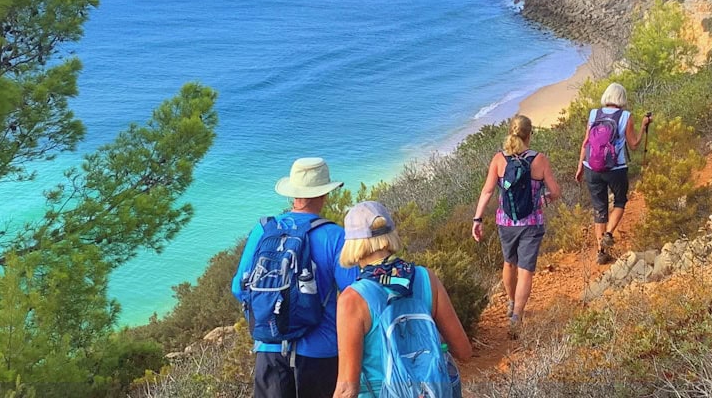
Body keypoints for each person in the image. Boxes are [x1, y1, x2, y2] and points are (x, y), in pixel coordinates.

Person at [234, 157, 360, 398]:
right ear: (325, 194)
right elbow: (353, 294)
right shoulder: (335, 236)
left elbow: (239, 288)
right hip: (319, 352)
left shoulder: (263, 230)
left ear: (292, 195)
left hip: (268, 349)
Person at [334, 201, 472, 398]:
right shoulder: (426, 278)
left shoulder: (352, 299)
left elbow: (347, 389)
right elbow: (464, 351)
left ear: (353, 244)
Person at [469, 115, 562, 328]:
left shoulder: (499, 159)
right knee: (525, 269)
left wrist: (477, 219)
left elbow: (487, 191)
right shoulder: (540, 160)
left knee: (509, 263)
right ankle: (516, 317)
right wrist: (545, 197)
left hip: (506, 222)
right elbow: (555, 191)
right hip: (532, 222)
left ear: (511, 132)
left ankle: (511, 302)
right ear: (530, 134)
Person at [576, 82, 650, 265]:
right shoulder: (626, 116)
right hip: (615, 168)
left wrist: (579, 166)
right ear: (622, 98)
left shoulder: (594, 114)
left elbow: (586, 142)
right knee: (620, 201)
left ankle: (601, 252)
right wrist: (643, 126)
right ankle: (608, 233)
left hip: (591, 167)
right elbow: (633, 145)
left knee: (600, 208)